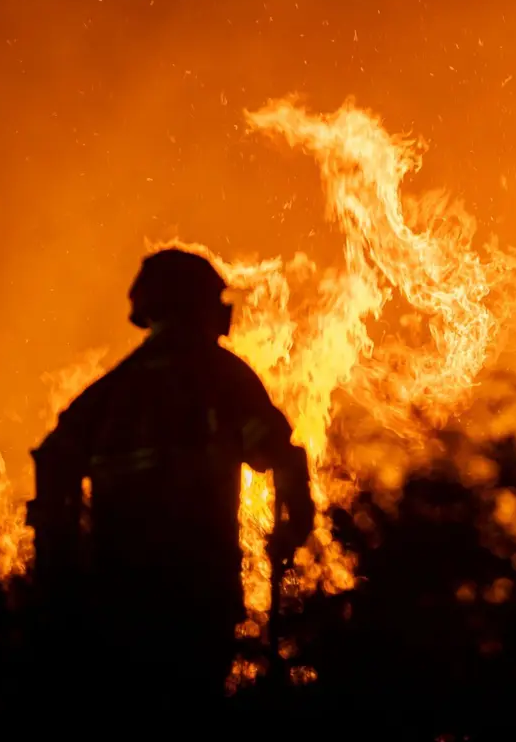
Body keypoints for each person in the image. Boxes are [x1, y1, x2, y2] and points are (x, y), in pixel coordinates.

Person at [25, 248, 316, 711]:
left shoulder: (111, 390)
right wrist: (294, 523)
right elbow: (279, 455)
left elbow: (52, 466)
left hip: (117, 604)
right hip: (197, 596)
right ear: (198, 305)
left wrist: (58, 584)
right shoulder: (225, 378)